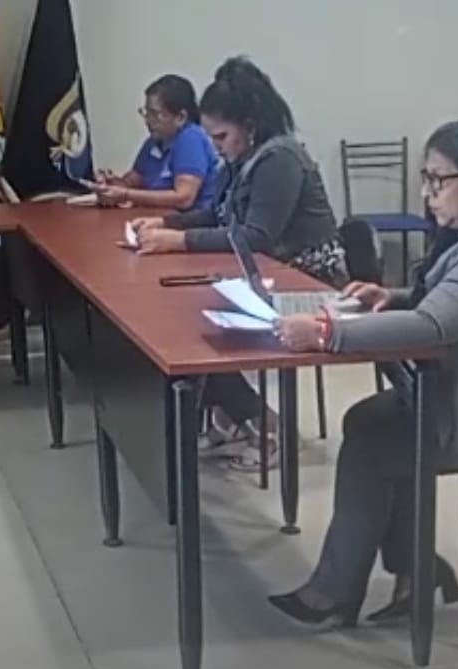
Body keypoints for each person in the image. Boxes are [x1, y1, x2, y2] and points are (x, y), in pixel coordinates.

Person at [269, 119, 458, 629]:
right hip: (457, 396)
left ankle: (336, 592)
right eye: (425, 178)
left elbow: (435, 325)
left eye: (438, 180)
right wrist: (392, 297)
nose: (426, 193)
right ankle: (415, 570)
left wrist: (327, 333)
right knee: (367, 421)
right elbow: (445, 302)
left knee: (374, 448)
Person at [131, 58, 345, 469]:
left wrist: (179, 241)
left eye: (222, 136)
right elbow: (218, 215)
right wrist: (166, 223)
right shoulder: (240, 159)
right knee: (184, 316)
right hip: (263, 272)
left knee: (198, 328)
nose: (216, 146)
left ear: (250, 125)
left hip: (307, 281)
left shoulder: (280, 158)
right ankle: (234, 421)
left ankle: (266, 427)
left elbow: (256, 236)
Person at [95, 74, 219, 213]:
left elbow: (184, 198)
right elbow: (133, 181)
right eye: (146, 113)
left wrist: (126, 195)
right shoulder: (154, 141)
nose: (148, 120)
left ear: (181, 117)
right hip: (156, 217)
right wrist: (111, 185)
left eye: (155, 114)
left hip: (192, 221)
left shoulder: (191, 138)